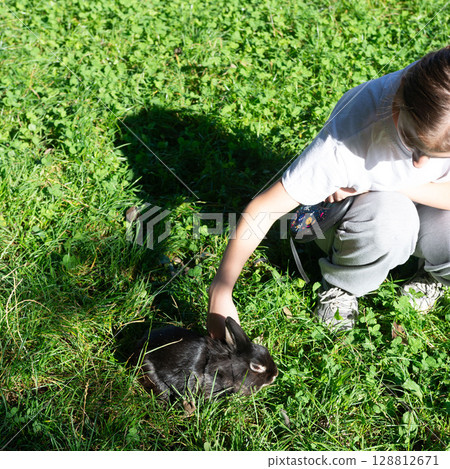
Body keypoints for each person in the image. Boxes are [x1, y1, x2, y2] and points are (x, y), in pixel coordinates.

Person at [207, 46, 450, 339]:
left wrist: (386, 182)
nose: (419, 163)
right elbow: (265, 209)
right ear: (397, 102)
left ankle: (435, 273)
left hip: (409, 197)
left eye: (439, 155)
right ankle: (343, 284)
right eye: (411, 141)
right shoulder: (350, 138)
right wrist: (221, 288)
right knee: (391, 220)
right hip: (354, 214)